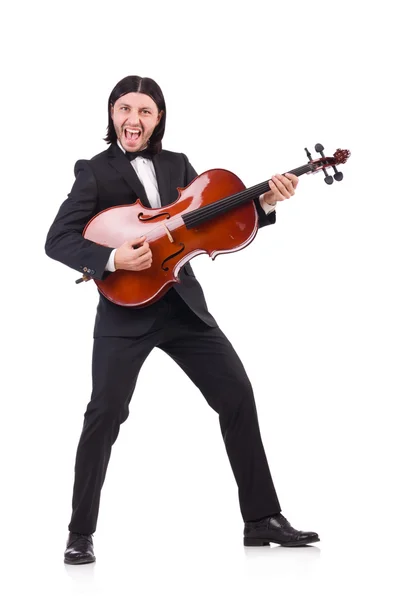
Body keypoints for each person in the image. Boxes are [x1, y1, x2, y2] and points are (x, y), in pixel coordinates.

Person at [45, 75, 319, 565]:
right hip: (125, 309)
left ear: (159, 118)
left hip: (182, 304)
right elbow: (58, 239)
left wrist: (263, 203)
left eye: (144, 111)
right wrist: (109, 261)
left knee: (237, 394)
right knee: (104, 414)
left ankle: (261, 520)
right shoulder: (93, 171)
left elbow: (209, 222)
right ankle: (79, 532)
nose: (133, 119)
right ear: (112, 115)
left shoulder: (177, 165)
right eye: (124, 109)